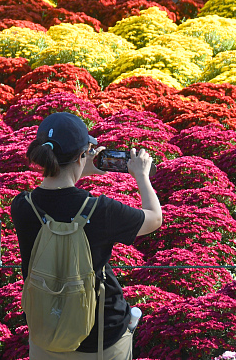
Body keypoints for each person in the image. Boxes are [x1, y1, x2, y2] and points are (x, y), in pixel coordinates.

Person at [11, 112, 162, 360]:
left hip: (46, 333)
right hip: (101, 338)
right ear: (82, 155)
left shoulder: (22, 207)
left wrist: (80, 167)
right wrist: (142, 175)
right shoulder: (100, 210)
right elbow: (154, 218)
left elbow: (59, 194)